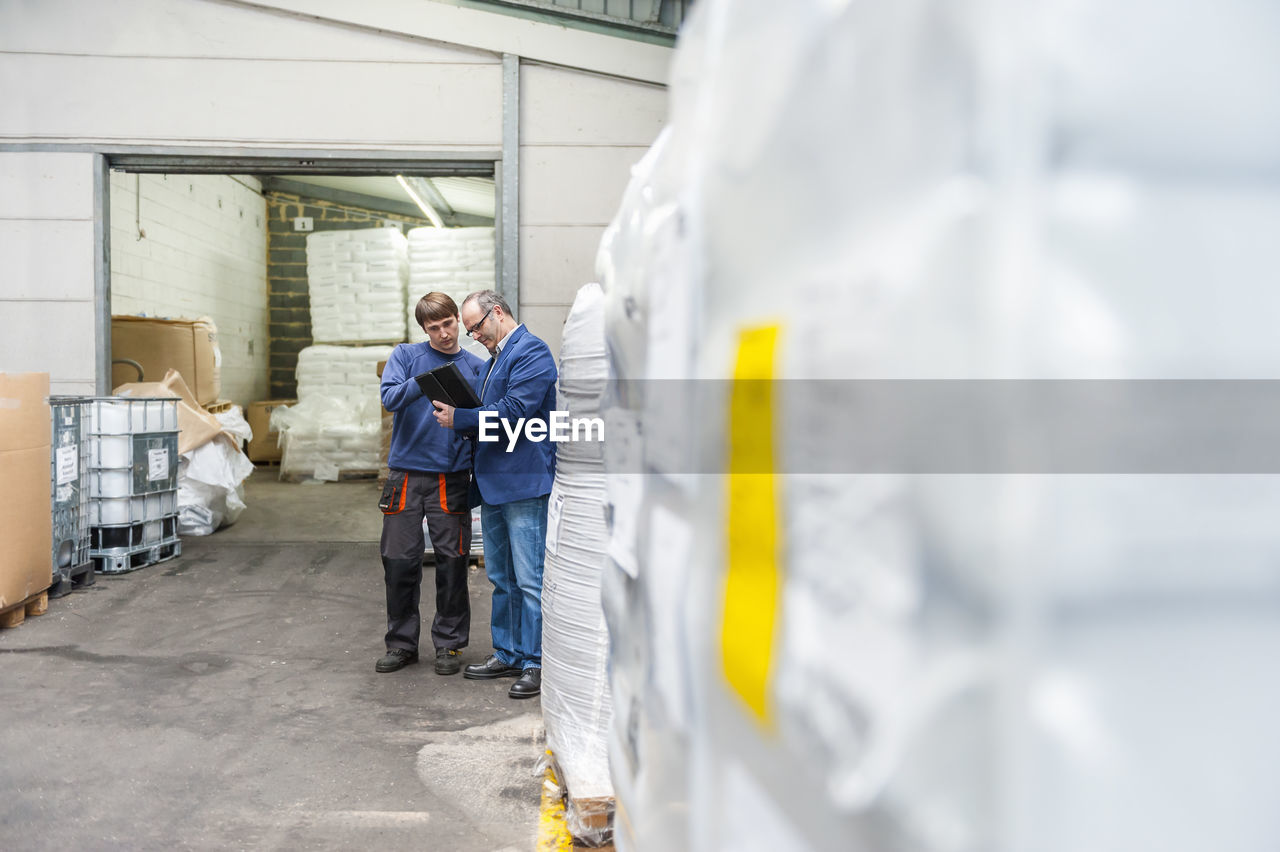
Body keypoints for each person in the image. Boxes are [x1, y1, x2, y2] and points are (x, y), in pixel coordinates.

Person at [431, 290, 556, 699]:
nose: (474, 336)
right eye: (470, 331)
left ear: (497, 313)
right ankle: (509, 653)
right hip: (495, 483)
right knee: (502, 578)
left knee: (530, 579)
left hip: (522, 482)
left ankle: (536, 662)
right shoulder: (496, 359)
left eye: (476, 328)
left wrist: (462, 417)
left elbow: (516, 411)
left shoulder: (532, 352)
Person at [376, 292, 486, 676]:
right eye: (434, 328)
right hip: (405, 474)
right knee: (399, 563)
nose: (443, 334)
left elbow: (481, 423)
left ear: (458, 319)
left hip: (451, 476)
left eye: (449, 323)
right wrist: (426, 382)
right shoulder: (406, 357)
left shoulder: (476, 366)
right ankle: (402, 644)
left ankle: (450, 646)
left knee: (453, 563)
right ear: (424, 329)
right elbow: (389, 398)